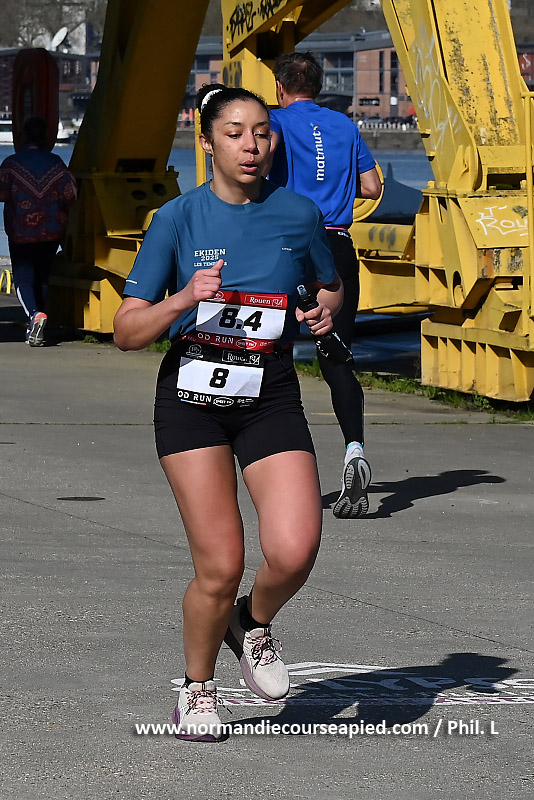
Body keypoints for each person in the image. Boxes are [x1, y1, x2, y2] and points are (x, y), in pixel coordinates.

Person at [113, 84, 343, 742]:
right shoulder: (177, 218)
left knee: (295, 549)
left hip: (269, 393)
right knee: (220, 564)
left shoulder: (298, 214)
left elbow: (328, 285)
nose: (252, 145)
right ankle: (198, 688)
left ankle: (252, 622)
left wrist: (323, 311)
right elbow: (126, 331)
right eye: (235, 132)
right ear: (207, 140)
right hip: (193, 401)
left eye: (262, 132)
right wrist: (184, 297)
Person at [268, 52, 382, 519]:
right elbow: (372, 187)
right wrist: (333, 186)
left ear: (280, 88)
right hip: (336, 246)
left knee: (273, 354)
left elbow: (254, 165)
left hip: (288, 245)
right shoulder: (345, 126)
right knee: (336, 357)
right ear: (318, 86)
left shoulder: (274, 121)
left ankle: (283, 473)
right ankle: (354, 450)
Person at [0, 115, 77, 346]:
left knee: (23, 278)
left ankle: (35, 315)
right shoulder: (56, 163)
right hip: (51, 230)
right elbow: (71, 194)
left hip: (21, 230)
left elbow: (1, 193)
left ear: (23, 136)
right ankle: (38, 325)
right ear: (46, 137)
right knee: (42, 276)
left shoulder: (11, 164)